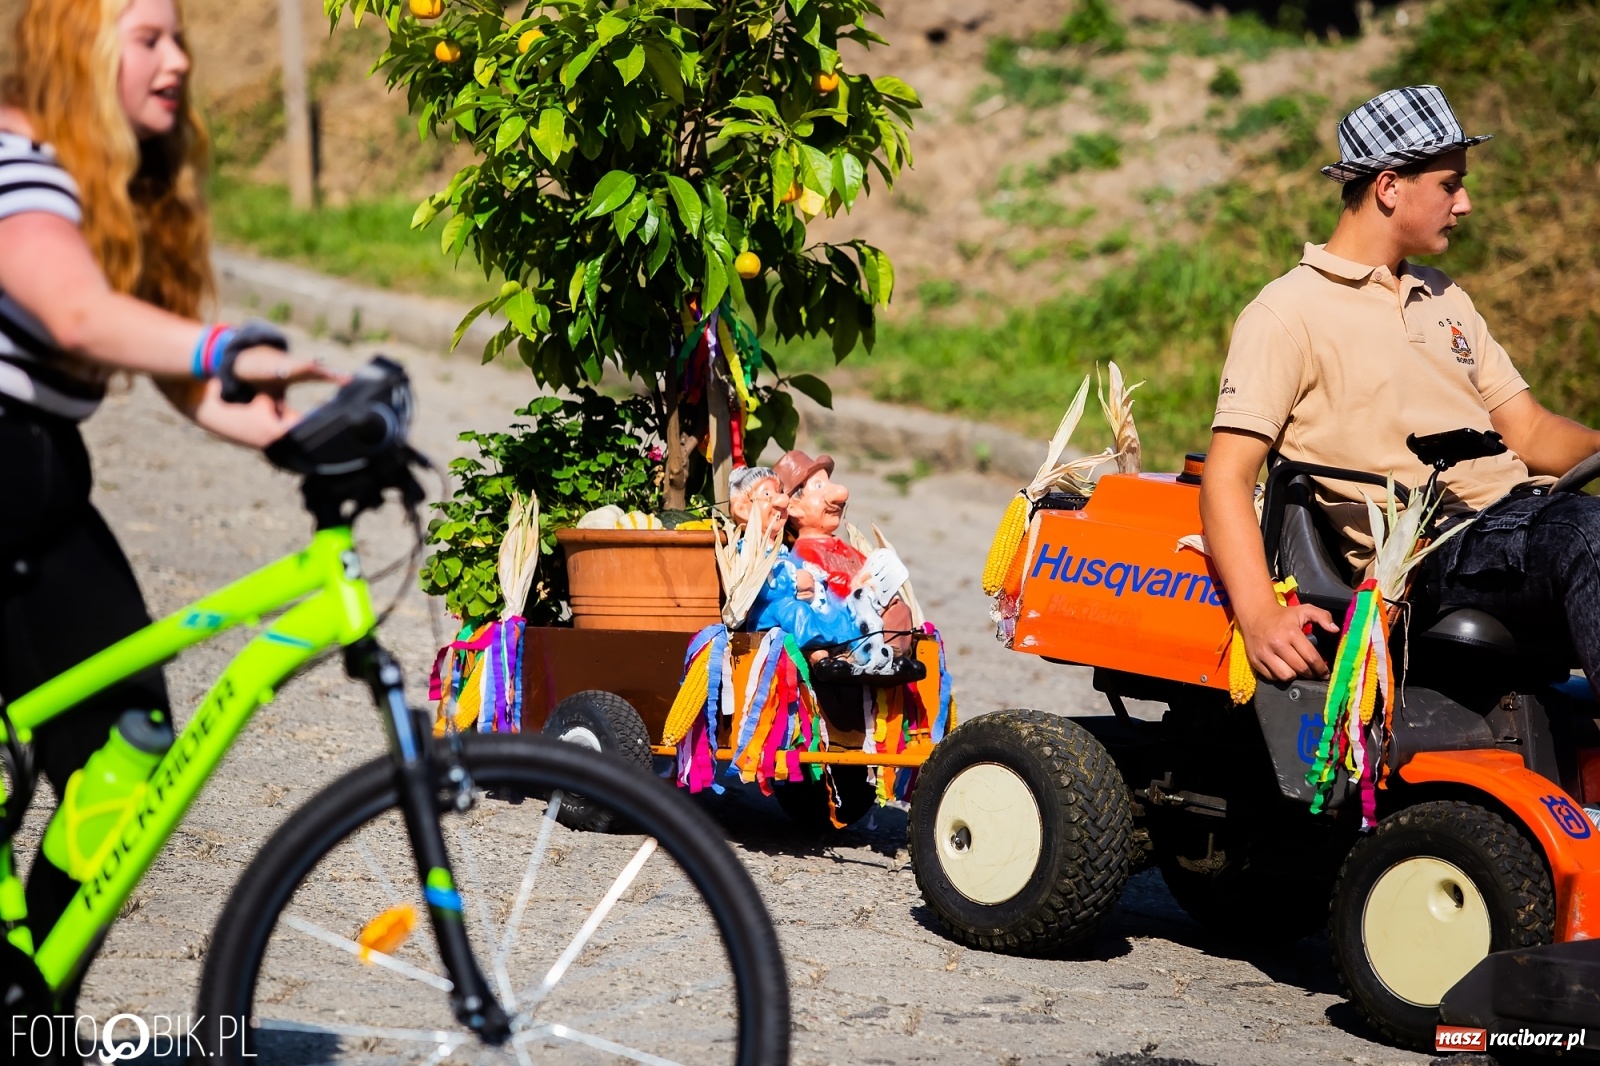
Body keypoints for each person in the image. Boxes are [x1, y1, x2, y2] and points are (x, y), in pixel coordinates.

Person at [0, 0, 335, 943]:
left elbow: (189, 384)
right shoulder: (15, 170)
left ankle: (34, 999)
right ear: (74, 49)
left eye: (178, 36)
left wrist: (307, 432)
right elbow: (76, 316)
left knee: (131, 740)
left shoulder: (105, 183)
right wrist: (222, 344)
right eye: (148, 39)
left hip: (40, 496)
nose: (178, 60)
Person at [1200, 85, 1600, 685]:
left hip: (1520, 523)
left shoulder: (1446, 296)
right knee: (1584, 534)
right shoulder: (1287, 313)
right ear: (1388, 186)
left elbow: (1532, 431)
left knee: (1578, 529)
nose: (1463, 204)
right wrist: (1259, 615)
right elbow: (1227, 476)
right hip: (1427, 552)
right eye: (1448, 184)